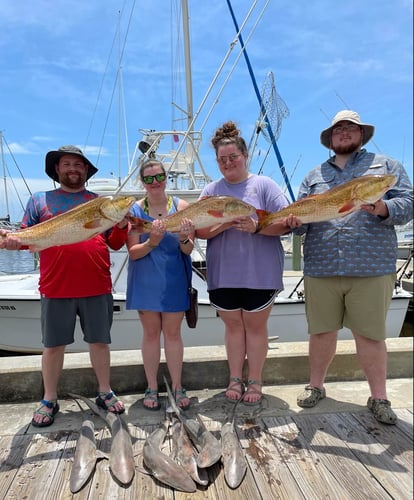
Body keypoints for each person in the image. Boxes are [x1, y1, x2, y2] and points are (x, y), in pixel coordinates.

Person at [287, 110, 413, 424]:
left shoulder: (386, 168)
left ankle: (379, 396)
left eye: (350, 127)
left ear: (361, 134)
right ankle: (316, 386)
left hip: (371, 266)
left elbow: (408, 204)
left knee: (371, 336)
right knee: (320, 333)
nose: (343, 131)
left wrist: (382, 206)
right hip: (322, 267)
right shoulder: (313, 176)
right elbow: (301, 226)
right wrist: (294, 223)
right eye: (338, 128)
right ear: (330, 138)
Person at [0, 145, 128, 426]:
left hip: (97, 284)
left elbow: (116, 243)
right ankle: (49, 398)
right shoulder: (39, 201)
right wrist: (11, 242)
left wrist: (120, 224)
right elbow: (26, 238)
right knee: (53, 346)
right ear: (57, 169)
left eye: (79, 165)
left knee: (100, 342)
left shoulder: (99, 203)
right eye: (67, 164)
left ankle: (105, 391)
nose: (73, 169)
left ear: (86, 171)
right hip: (56, 286)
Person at [196, 121, 291, 405]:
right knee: (233, 328)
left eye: (233, 157)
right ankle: (235, 377)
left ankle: (256, 380)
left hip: (260, 273)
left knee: (256, 327)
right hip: (223, 273)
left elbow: (286, 222)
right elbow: (200, 231)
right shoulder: (211, 191)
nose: (228, 163)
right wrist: (223, 225)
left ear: (244, 156)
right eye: (222, 159)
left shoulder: (264, 185)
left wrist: (257, 228)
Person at [126, 159, 195, 411]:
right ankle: (152, 386)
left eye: (159, 176)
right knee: (151, 334)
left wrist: (185, 236)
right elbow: (133, 252)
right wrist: (152, 241)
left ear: (166, 178)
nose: (155, 182)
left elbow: (187, 251)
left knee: (174, 334)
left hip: (173, 278)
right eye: (149, 178)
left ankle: (177, 386)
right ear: (142, 182)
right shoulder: (134, 210)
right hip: (145, 280)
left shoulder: (182, 206)